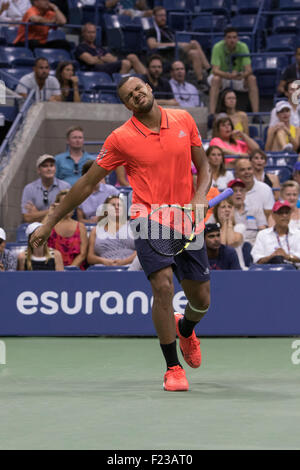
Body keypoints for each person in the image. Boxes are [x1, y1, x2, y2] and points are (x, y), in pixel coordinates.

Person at [30, 75, 212, 392]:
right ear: (126, 105)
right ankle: (172, 368)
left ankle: (186, 327)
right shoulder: (121, 138)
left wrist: (198, 199)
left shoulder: (183, 118)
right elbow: (86, 184)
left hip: (186, 217)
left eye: (139, 88)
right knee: (163, 287)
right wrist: (48, 222)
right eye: (129, 95)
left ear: (151, 89)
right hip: (148, 217)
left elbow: (205, 167)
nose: (136, 94)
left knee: (202, 299)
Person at [146, 6, 211, 85]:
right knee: (194, 43)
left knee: (194, 54)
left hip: (175, 53)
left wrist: (175, 45)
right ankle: (209, 70)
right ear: (154, 17)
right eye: (160, 16)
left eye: (164, 15)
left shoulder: (168, 30)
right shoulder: (152, 30)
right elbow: (152, 45)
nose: (163, 18)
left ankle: (201, 81)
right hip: (165, 56)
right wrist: (174, 44)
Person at [208, 27, 259, 118]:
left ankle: (256, 115)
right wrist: (228, 75)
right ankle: (211, 114)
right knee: (215, 79)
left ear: (237, 39)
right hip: (222, 77)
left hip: (237, 77)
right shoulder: (217, 47)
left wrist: (241, 75)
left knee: (252, 78)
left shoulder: (243, 47)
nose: (232, 40)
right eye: (229, 37)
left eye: (234, 37)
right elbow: (215, 70)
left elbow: (249, 70)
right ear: (224, 39)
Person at [75, 23, 146, 75]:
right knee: (126, 63)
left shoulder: (99, 47)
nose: (92, 35)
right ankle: (119, 87)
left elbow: (113, 59)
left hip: (106, 67)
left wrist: (99, 58)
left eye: (93, 32)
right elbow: (90, 61)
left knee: (132, 57)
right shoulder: (81, 47)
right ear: (83, 33)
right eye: (89, 32)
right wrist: (103, 58)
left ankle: (147, 79)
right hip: (94, 69)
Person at [87, 195, 136, 266]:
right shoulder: (95, 230)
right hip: (104, 267)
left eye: (119, 205)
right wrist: (103, 261)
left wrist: (125, 261)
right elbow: (90, 257)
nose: (116, 207)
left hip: (131, 265)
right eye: (113, 205)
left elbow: (141, 251)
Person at [21, 154, 70, 223]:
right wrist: (54, 210)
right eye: (45, 166)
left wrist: (37, 213)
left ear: (55, 169)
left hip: (59, 227)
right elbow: (27, 218)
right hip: (37, 229)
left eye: (51, 165)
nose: (49, 169)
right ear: (38, 170)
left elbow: (67, 214)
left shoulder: (65, 186)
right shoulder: (29, 188)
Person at [47, 190, 88, 269]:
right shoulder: (50, 225)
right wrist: (50, 213)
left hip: (75, 271)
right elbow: (39, 238)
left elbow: (83, 254)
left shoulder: (81, 227)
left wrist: (69, 270)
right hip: (52, 270)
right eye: (64, 203)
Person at [251, 201, 300, 265]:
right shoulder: (263, 234)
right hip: (269, 271)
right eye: (280, 213)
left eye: (287, 212)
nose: (284, 215)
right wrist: (272, 256)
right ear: (273, 215)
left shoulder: (298, 234)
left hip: (294, 272)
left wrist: (287, 257)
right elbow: (257, 259)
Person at [77, 160, 119, 224]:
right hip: (88, 227)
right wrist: (91, 222)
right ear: (85, 176)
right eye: (91, 174)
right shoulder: (79, 193)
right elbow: (80, 220)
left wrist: (102, 218)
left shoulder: (112, 191)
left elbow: (120, 214)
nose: (95, 176)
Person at [228, 178, 267, 246]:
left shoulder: (255, 208)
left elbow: (263, 230)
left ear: (245, 193)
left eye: (241, 190)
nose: (238, 193)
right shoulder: (225, 210)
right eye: (235, 191)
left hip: (254, 244)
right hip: (234, 244)